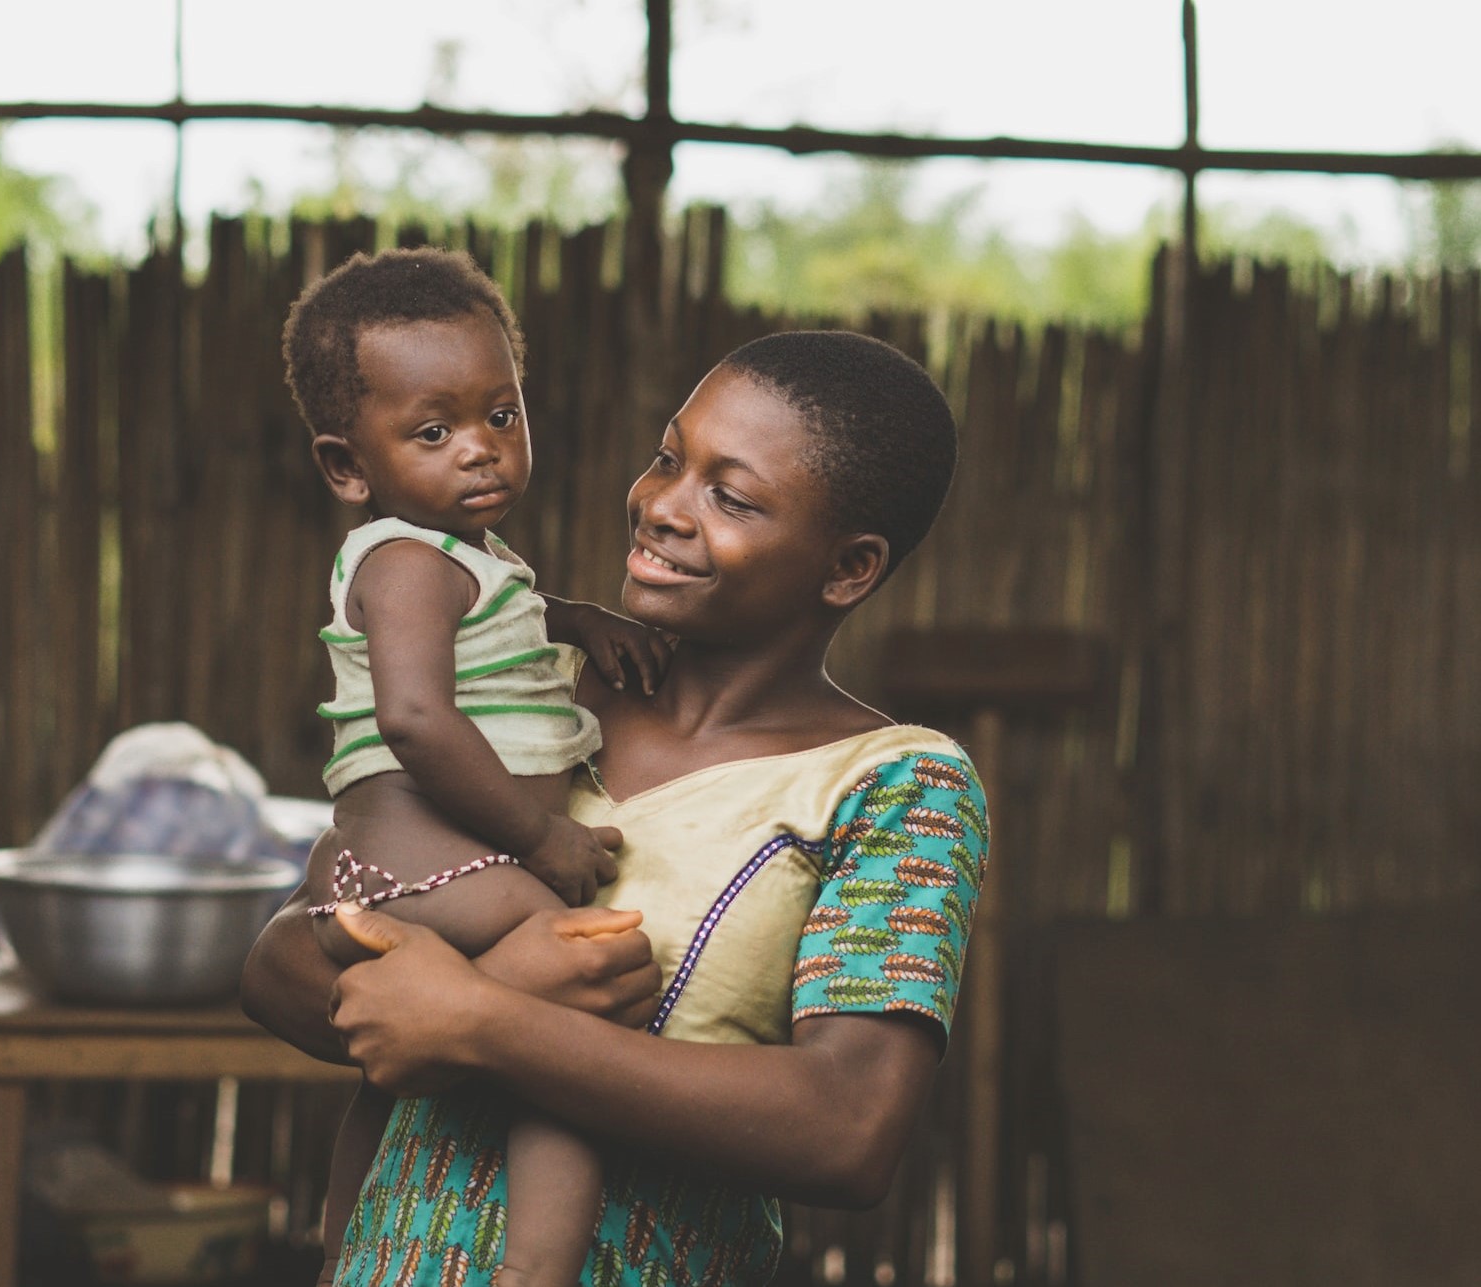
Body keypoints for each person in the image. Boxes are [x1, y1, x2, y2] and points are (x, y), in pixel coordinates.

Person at [242, 327, 990, 1287]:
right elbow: (282, 962)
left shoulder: (896, 787)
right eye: (668, 458)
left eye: (731, 496)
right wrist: (426, 988)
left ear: (847, 568)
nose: (662, 507)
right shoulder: (522, 689)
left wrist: (481, 1017)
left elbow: (846, 1129)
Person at [269, 246, 675, 1287]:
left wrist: (573, 616)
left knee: (408, 1067)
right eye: (434, 430)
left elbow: (500, 630)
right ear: (347, 467)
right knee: (572, 1022)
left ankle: (341, 1253)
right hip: (431, 870)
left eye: (503, 414)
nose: (483, 451)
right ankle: (537, 1271)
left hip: (409, 874)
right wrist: (541, 839)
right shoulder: (406, 562)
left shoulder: (467, 561)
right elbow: (415, 719)